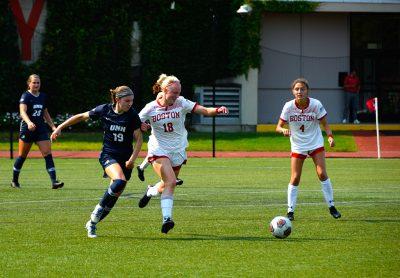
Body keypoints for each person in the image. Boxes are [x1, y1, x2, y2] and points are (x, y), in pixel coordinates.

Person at [138, 74, 229, 234]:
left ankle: (151, 191)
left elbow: (204, 110)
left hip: (178, 150)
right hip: (159, 149)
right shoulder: (150, 107)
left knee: (166, 183)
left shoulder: (182, 102)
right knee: (171, 182)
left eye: (178, 92)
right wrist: (141, 126)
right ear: (165, 90)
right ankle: (167, 219)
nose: (177, 95)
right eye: (174, 92)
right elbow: (135, 122)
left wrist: (217, 110)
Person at [51, 86, 143, 238]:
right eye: (127, 101)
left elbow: (139, 139)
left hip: (126, 159)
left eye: (132, 101)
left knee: (114, 196)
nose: (130, 104)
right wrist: (59, 127)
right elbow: (81, 116)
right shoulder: (105, 110)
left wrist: (132, 159)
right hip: (108, 155)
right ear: (117, 99)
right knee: (119, 181)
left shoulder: (132, 115)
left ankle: (92, 223)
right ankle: (97, 210)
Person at [276, 78, 341, 221]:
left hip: (315, 143)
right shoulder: (288, 107)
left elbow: (325, 123)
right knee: (295, 177)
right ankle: (290, 211)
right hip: (298, 145)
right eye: (297, 89)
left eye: (302, 89)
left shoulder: (316, 104)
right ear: (293, 91)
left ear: (307, 91)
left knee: (322, 173)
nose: (299, 91)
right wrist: (283, 130)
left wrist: (330, 136)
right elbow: (278, 126)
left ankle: (332, 206)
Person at [11, 74, 63, 189]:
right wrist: (29, 122)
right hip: (27, 129)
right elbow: (22, 112)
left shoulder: (43, 96)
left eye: (38, 83)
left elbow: (45, 113)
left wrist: (53, 127)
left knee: (48, 154)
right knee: (22, 156)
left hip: (40, 129)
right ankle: (14, 180)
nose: (36, 85)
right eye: (34, 82)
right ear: (29, 84)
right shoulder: (25, 96)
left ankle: (54, 182)